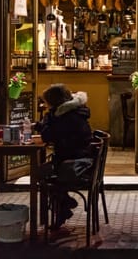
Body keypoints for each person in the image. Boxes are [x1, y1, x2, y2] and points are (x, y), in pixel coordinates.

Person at [37, 83, 93, 228]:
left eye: (48, 103)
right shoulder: (73, 112)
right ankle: (64, 204)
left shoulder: (66, 117)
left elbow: (47, 136)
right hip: (78, 158)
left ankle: (63, 205)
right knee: (43, 172)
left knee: (41, 174)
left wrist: (47, 120)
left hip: (76, 163)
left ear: (54, 103)